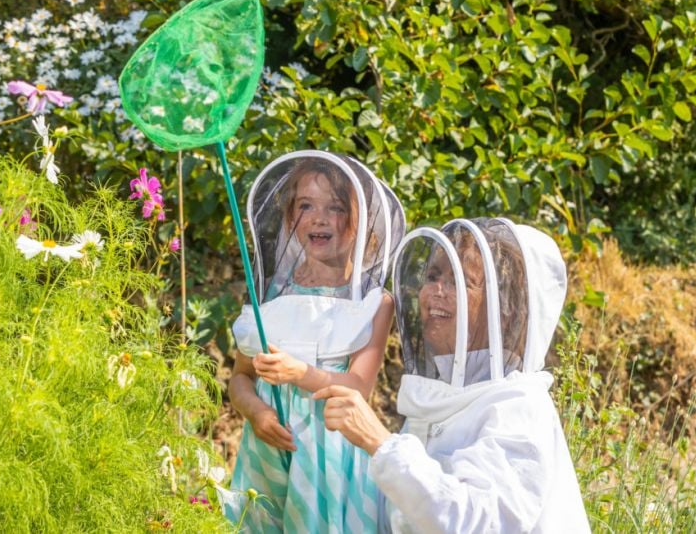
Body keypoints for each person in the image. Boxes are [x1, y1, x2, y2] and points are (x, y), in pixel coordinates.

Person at [314, 218, 591, 533]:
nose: (435, 291)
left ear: (507, 308)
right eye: (433, 276)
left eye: (460, 281)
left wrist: (379, 443)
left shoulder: (519, 408)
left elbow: (479, 523)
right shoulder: (433, 400)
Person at [220, 151, 406, 532]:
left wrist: (299, 373)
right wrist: (256, 412)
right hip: (268, 450)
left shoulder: (372, 301)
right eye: (305, 205)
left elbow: (359, 387)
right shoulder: (270, 293)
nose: (319, 218)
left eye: (335, 208)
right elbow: (239, 377)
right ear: (290, 218)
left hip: (331, 455)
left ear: (359, 223)